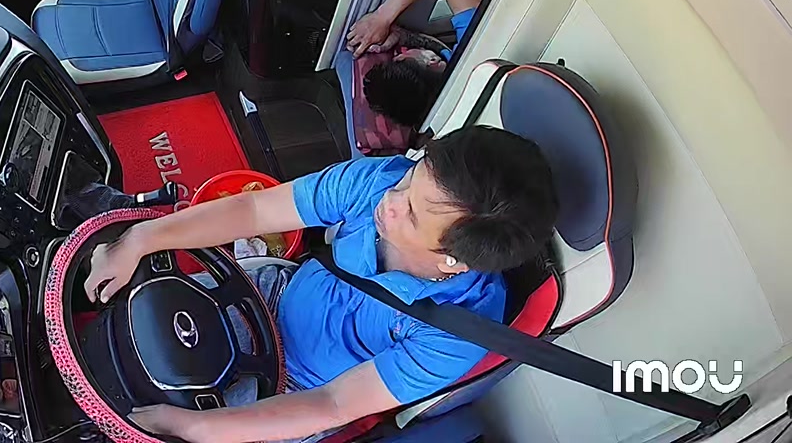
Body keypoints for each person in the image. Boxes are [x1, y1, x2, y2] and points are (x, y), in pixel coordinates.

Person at [85, 125, 559, 443]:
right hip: (270, 293)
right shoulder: (380, 182)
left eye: (412, 215)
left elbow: (331, 404)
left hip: (292, 389)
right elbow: (255, 209)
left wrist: (195, 428)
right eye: (410, 180)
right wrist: (140, 239)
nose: (390, 200)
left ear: (454, 260)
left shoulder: (457, 332)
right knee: (130, 322)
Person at [334, 0, 482, 151]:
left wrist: (403, 36)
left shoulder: (438, 124)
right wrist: (381, 17)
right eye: (403, 55)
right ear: (433, 61)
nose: (403, 50)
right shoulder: (475, 52)